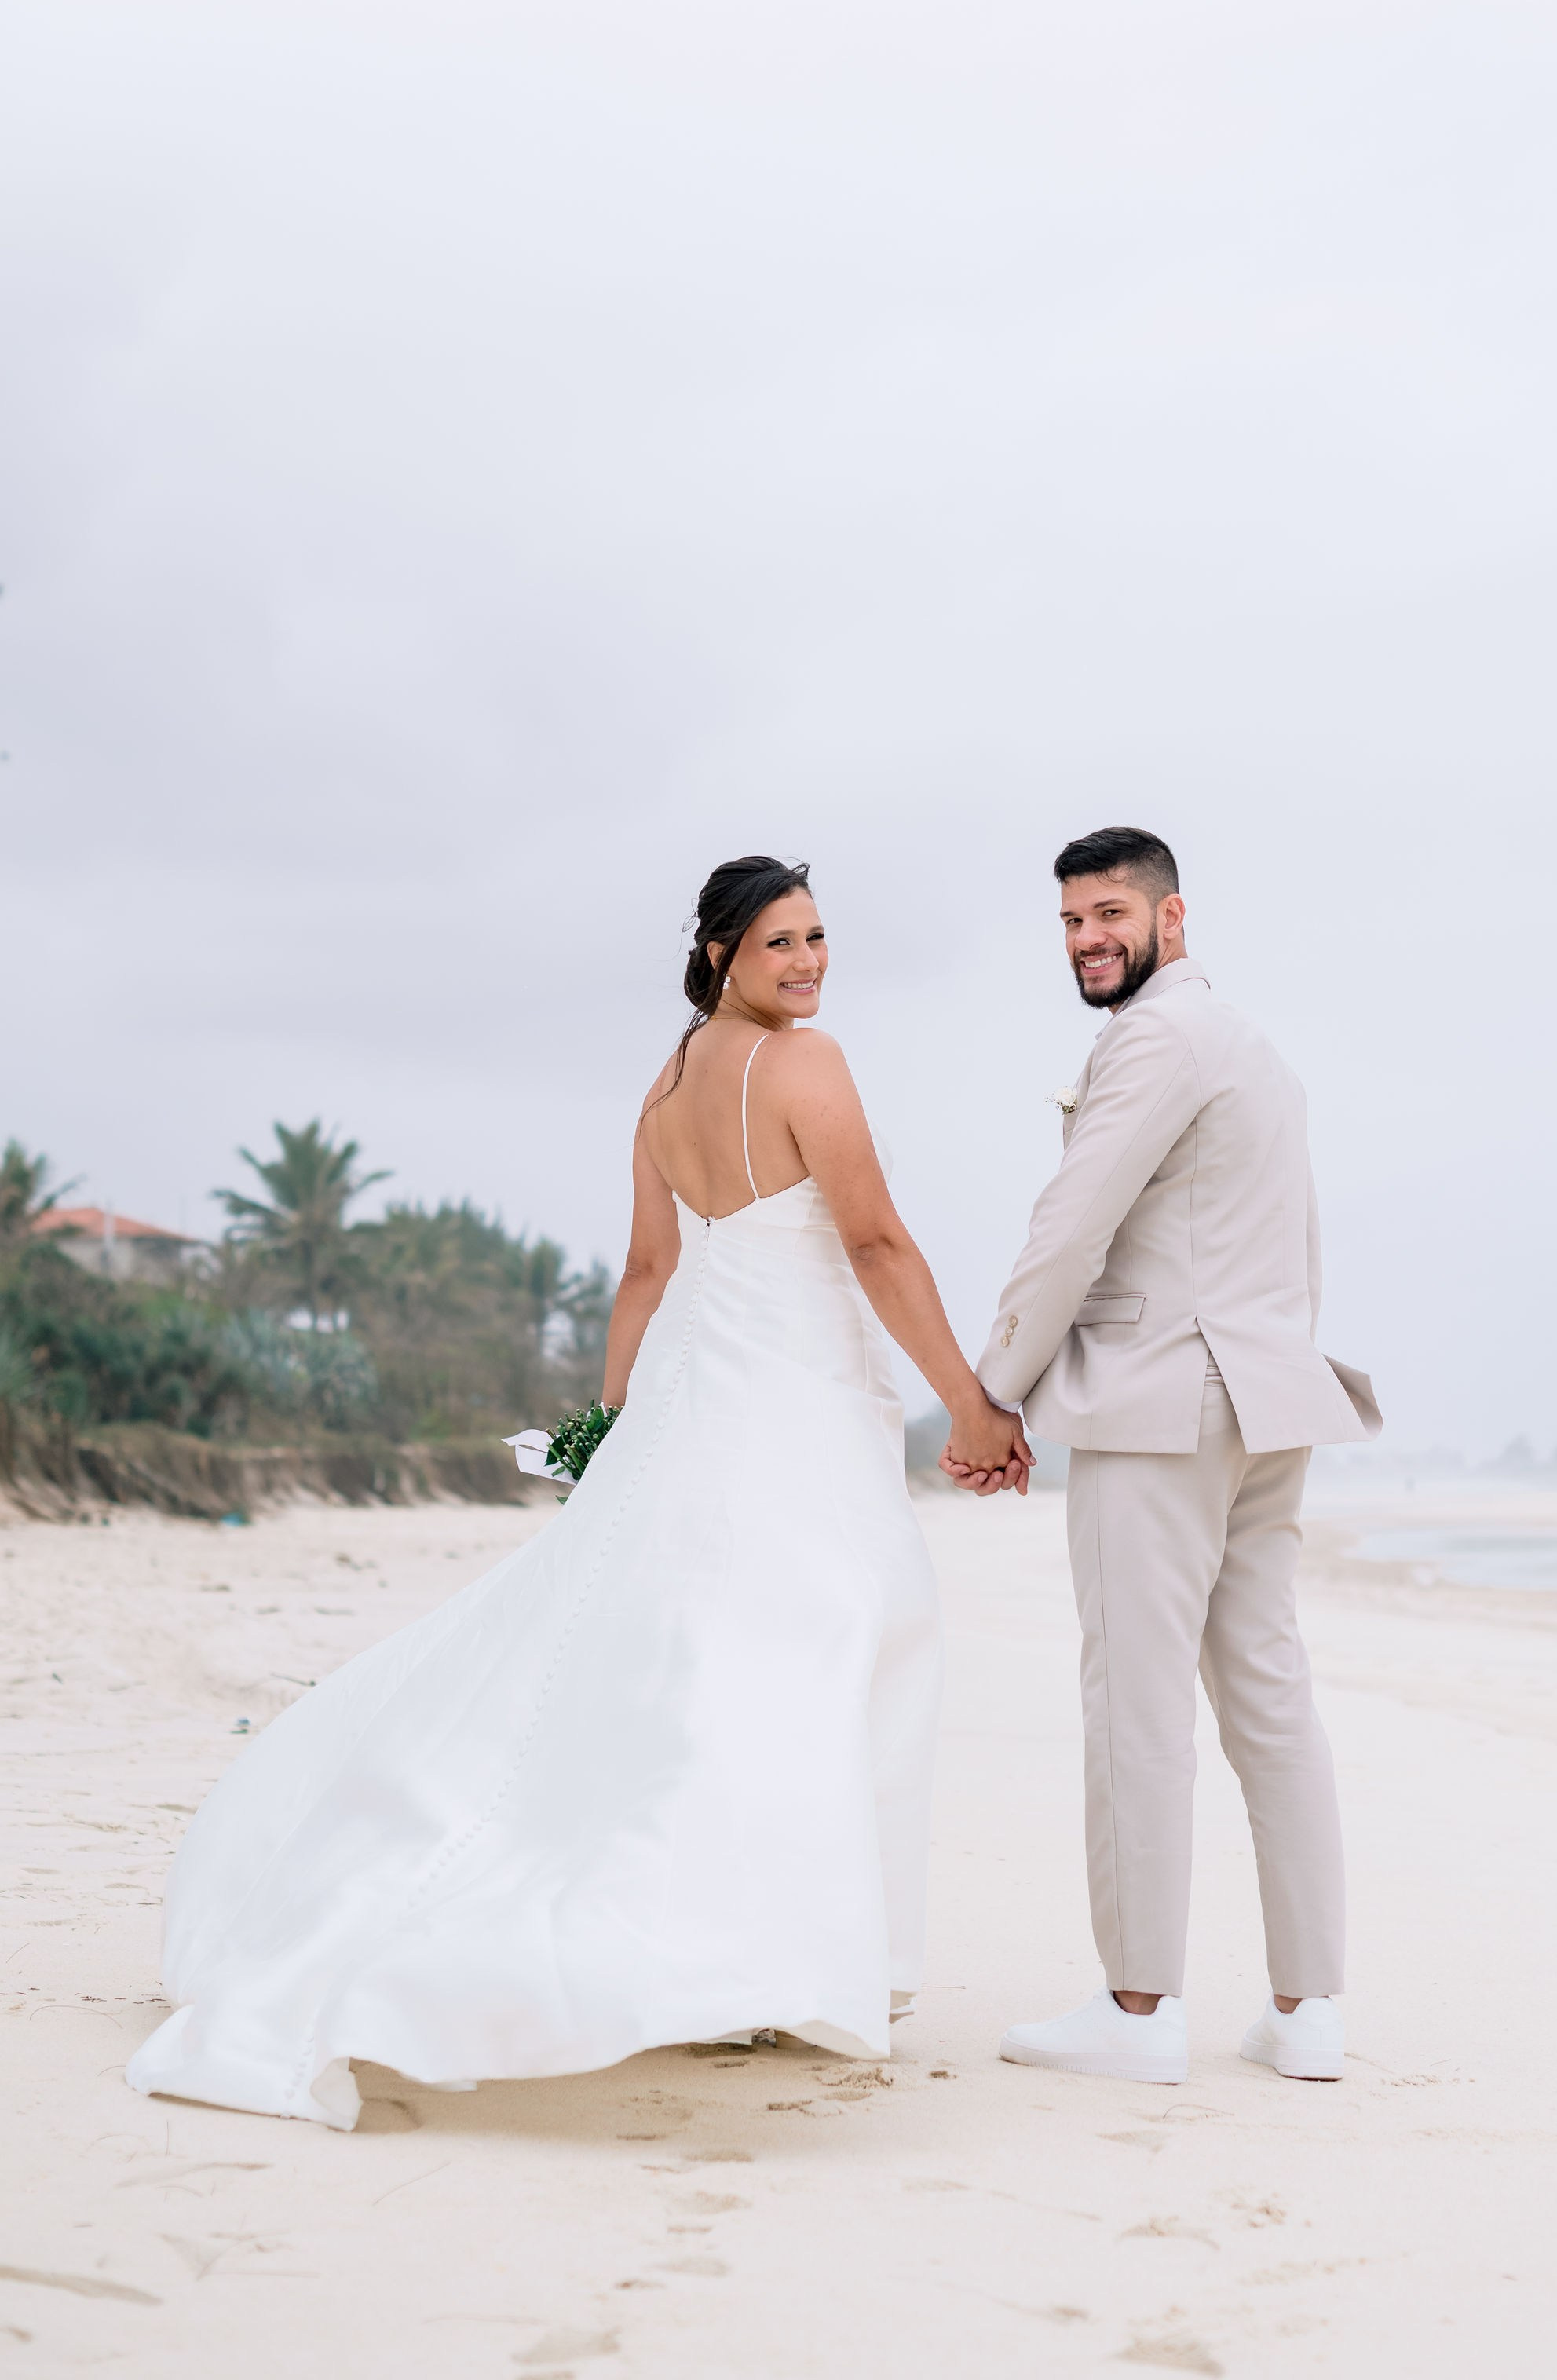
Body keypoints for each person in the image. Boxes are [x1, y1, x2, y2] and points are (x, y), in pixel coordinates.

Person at [126, 854, 1022, 2130]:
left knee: (710, 1654)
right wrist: (972, 1401)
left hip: (696, 1401)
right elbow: (875, 1241)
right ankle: (784, 1960)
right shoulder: (804, 1068)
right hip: (791, 1406)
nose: (810, 962)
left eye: (819, 937)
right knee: (827, 1642)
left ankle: (767, 1956)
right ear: (719, 954)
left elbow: (648, 1275)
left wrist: (609, 1430)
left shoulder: (664, 1088)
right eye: (780, 943)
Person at [945, 826, 1378, 2087]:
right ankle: (1309, 2011)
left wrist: (993, 1396)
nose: (1089, 938)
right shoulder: (1256, 1048)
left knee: (1136, 1701)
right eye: (1073, 920)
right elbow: (1295, 1243)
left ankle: (1138, 2012)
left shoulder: (1156, 1039)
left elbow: (1070, 1227)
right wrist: (1275, 1369)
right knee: (1269, 1696)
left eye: (1112, 915)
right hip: (1265, 1401)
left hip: (1160, 1405)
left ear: (1172, 920)